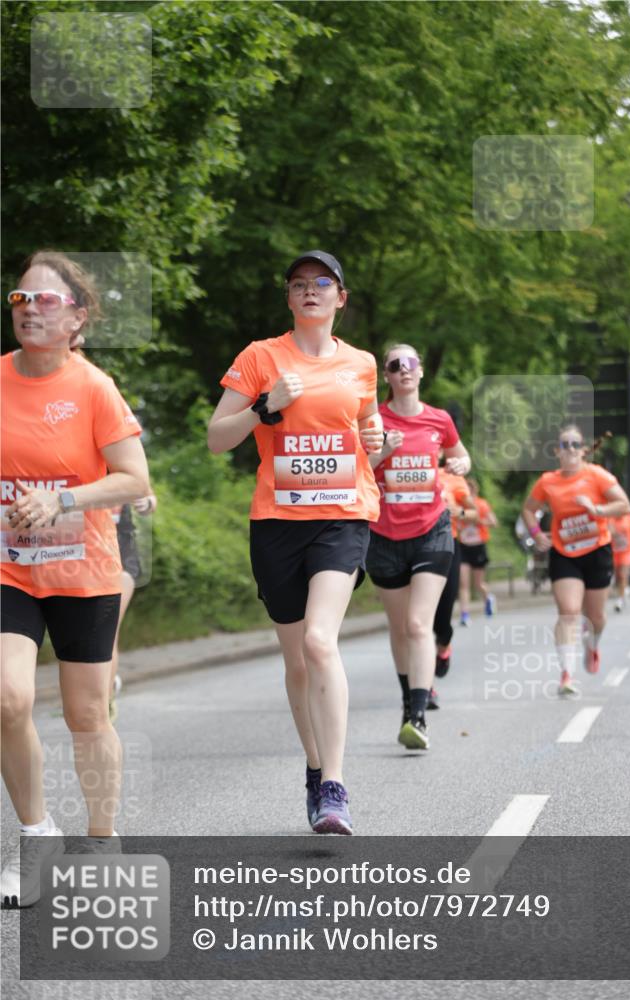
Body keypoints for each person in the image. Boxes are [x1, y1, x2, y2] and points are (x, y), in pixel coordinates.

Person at [208, 250, 383, 835]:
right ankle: (314, 768)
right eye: (299, 284)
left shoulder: (361, 364)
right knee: (296, 660)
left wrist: (375, 444)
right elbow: (216, 438)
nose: (310, 291)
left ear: (341, 297)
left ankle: (334, 786)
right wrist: (264, 407)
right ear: (289, 299)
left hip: (343, 516)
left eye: (322, 283)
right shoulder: (261, 357)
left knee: (317, 640)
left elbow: (367, 436)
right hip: (278, 522)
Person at [1, 251, 150, 906]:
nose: (30, 309)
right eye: (20, 299)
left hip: (84, 569)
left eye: (46, 301)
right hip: (9, 566)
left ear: (77, 317)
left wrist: (61, 501)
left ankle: (101, 839)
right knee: (7, 699)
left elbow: (133, 479)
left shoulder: (93, 387)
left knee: (87, 713)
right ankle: (35, 837)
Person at [366, 345, 470, 750]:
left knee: (416, 625)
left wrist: (461, 464)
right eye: (395, 365)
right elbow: (357, 464)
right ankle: (408, 699)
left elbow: (461, 457)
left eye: (410, 363)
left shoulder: (438, 419)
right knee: (398, 628)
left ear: (421, 372)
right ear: (387, 376)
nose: (404, 369)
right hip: (385, 536)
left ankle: (417, 715)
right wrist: (384, 451)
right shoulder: (373, 418)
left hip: (432, 530)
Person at [522, 424, 630, 696]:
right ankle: (567, 675)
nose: (569, 448)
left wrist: (596, 509)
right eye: (564, 444)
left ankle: (592, 645)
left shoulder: (597, 476)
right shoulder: (547, 481)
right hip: (565, 552)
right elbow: (528, 509)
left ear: (584, 450)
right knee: (569, 612)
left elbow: (624, 505)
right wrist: (536, 534)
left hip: (597, 550)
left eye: (575, 444)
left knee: (595, 616)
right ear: (557, 451)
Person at [429, 466, 478, 706]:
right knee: (419, 622)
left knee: (443, 617)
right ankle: (426, 687)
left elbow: (473, 513)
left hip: (448, 545)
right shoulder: (401, 468)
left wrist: (457, 510)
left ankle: (444, 645)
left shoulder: (454, 479)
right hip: (414, 546)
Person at [108, 494, 157, 722]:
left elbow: (148, 498)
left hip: (120, 557)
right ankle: (102, 683)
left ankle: (104, 701)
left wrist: (145, 502)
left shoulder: (119, 462)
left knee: (107, 631)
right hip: (75, 559)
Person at [458, 479, 498, 624]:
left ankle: (488, 598)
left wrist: (479, 522)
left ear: (474, 491)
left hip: (478, 545)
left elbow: (494, 522)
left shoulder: (482, 504)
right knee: (463, 583)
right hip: (463, 546)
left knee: (478, 583)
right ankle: (464, 614)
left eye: (469, 491)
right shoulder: (460, 506)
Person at [610, 511, 630, 612]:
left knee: (623, 575)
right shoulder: (610, 518)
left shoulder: (629, 518)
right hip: (614, 552)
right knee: (617, 576)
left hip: (627, 551)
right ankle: (621, 593)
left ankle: (620, 599)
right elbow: (608, 532)